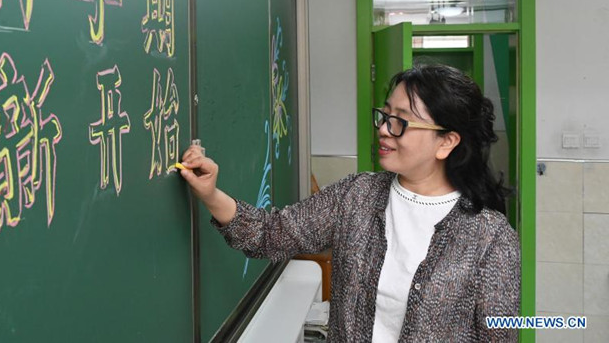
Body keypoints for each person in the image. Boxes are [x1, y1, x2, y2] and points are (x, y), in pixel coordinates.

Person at [180, 64, 520, 342]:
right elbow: (269, 235)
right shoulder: (356, 196)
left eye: (400, 121)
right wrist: (210, 193)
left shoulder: (490, 238)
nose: (384, 129)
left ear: (446, 142)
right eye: (384, 115)